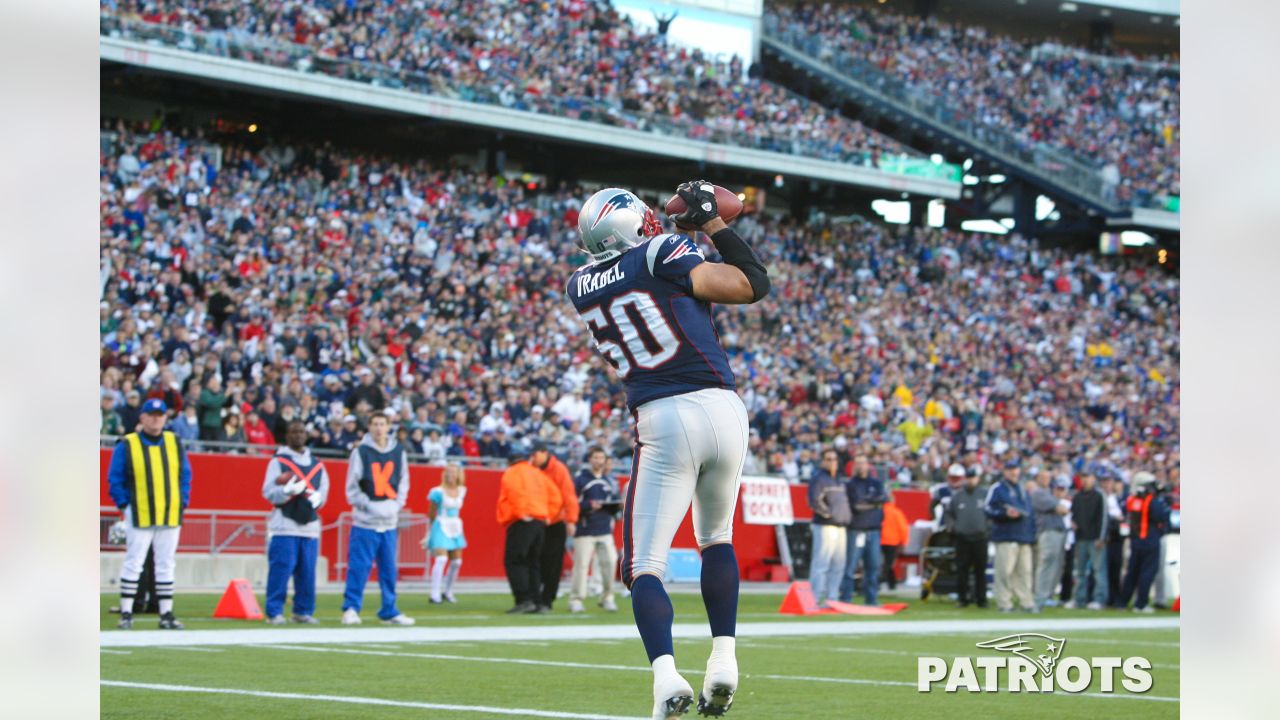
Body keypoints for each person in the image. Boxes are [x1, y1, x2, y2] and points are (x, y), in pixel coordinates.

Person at [565, 181, 769, 719]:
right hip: (723, 408)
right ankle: (724, 657)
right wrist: (714, 226)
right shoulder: (659, 252)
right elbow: (750, 284)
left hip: (663, 415)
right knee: (716, 537)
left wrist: (683, 236)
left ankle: (666, 677)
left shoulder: (580, 284)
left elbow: (650, 278)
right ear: (634, 225)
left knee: (645, 565)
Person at [106, 399, 191, 629]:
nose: (156, 419)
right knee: (134, 561)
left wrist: (182, 501)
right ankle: (126, 613)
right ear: (142, 418)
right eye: (151, 415)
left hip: (170, 512)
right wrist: (125, 506)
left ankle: (166, 614)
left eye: (160, 415)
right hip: (140, 511)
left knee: (166, 563)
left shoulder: (174, 442)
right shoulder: (128, 444)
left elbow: (185, 475)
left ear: (165, 418)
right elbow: (115, 479)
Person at [341, 412, 414, 625]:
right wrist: (369, 505)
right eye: (374, 424)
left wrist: (395, 505)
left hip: (389, 522)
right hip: (365, 522)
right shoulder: (361, 452)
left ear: (389, 426)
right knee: (359, 567)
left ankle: (389, 609)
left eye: (382, 424)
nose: (378, 428)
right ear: (369, 427)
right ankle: (351, 608)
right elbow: (352, 487)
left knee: (389, 569)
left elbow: (404, 482)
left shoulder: (399, 451)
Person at [261, 420, 328, 624]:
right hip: (284, 525)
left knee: (307, 572)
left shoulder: (317, 465)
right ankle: (274, 611)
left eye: (301, 431)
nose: (298, 435)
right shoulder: (278, 461)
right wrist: (285, 491)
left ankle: (303, 611)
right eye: (294, 432)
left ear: (306, 435)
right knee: (281, 569)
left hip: (309, 526)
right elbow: (268, 492)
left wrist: (319, 500)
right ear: (287, 435)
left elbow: (323, 492)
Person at [496, 443, 560, 614]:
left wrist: (521, 513)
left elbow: (515, 493)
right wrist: (547, 516)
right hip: (539, 521)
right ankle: (537, 601)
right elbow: (556, 496)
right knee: (533, 562)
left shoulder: (513, 472)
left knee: (515, 560)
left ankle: (523, 599)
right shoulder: (538, 473)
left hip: (523, 520)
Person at [570, 447, 621, 613]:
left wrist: (617, 505)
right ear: (590, 459)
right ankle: (576, 599)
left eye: (602, 457)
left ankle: (607, 597)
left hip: (605, 529)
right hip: (585, 529)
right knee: (582, 565)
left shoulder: (610, 480)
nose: (599, 460)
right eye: (596, 457)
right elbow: (572, 503)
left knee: (610, 563)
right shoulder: (580, 479)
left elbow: (613, 503)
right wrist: (589, 505)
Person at [984, 457, 1036, 613]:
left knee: (1025, 571)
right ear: (1005, 471)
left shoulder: (1023, 488)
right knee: (1004, 571)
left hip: (1023, 536)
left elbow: (1030, 513)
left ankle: (1026, 602)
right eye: (1010, 469)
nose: (1014, 472)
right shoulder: (998, 488)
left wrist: (1031, 534)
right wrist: (1005, 513)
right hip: (1005, 535)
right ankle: (1004, 602)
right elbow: (988, 509)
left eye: (1015, 469)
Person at [1119, 471, 1172, 613]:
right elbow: (1161, 516)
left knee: (1132, 572)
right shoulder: (1152, 502)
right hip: (1150, 539)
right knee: (1147, 572)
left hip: (1136, 540)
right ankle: (1141, 603)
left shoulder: (1132, 500)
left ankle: (1123, 601)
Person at [839, 453, 887, 606]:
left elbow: (883, 499)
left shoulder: (876, 483)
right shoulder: (851, 485)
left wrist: (867, 502)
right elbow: (856, 506)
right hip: (856, 529)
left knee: (872, 566)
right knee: (850, 566)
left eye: (863, 463)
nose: (860, 466)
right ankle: (846, 597)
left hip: (873, 530)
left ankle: (871, 599)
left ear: (868, 465)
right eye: (857, 463)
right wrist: (872, 503)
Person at [806, 448, 851, 607]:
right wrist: (830, 515)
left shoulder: (838, 479)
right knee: (821, 563)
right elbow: (814, 501)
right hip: (825, 526)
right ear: (823, 461)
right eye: (829, 459)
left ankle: (832, 599)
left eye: (834, 459)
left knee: (839, 564)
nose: (832, 462)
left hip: (840, 526)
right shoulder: (818, 479)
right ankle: (814, 598)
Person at [538, 449, 580, 612]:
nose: (532, 458)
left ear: (544, 453)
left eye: (535, 454)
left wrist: (570, 520)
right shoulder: (533, 468)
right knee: (537, 560)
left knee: (553, 562)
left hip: (556, 521)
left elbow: (568, 495)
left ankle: (547, 599)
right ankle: (536, 597)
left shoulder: (559, 470)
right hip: (538, 519)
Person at [945, 467, 989, 608]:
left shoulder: (985, 494)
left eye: (973, 477)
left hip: (980, 537)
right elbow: (949, 513)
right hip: (962, 538)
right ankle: (963, 598)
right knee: (962, 570)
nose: (971, 480)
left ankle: (981, 599)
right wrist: (952, 526)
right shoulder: (958, 496)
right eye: (968, 478)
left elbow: (992, 513)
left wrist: (988, 529)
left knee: (980, 570)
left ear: (978, 478)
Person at [424, 462, 467, 604]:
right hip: (441, 524)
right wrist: (431, 530)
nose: (450, 475)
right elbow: (431, 512)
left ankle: (448, 592)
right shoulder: (437, 491)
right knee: (441, 559)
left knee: (456, 562)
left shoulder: (462, 490)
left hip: (455, 525)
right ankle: (434, 594)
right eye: (448, 472)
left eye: (453, 472)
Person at [1065, 472, 1108, 610]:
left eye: (1087, 478)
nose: (1085, 481)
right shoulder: (1077, 497)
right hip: (1081, 538)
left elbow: (1104, 518)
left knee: (1098, 571)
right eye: (1083, 478)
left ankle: (1099, 599)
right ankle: (1079, 599)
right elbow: (1073, 515)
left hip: (1095, 538)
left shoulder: (1099, 495)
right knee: (1080, 572)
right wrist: (1073, 524)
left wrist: (1101, 537)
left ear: (1093, 479)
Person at [1031, 473, 1071, 610]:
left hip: (1058, 532)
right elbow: (1062, 510)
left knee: (1056, 566)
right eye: (1043, 478)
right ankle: (1038, 598)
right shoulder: (1039, 493)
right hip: (1048, 532)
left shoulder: (1048, 495)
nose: (1045, 480)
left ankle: (1046, 596)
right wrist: (1059, 502)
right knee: (1046, 564)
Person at [1100, 474, 1128, 607]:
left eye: (1110, 482)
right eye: (1105, 482)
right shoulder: (1100, 497)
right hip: (1103, 538)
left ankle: (1115, 597)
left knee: (1116, 568)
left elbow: (1125, 517)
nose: (1108, 485)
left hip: (1117, 538)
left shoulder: (1121, 499)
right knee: (1102, 569)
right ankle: (1103, 597)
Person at [879, 491, 910, 592]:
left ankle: (891, 583)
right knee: (889, 563)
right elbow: (903, 528)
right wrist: (904, 542)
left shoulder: (880, 512)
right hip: (893, 542)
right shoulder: (896, 512)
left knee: (884, 563)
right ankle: (884, 581)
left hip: (880, 541)